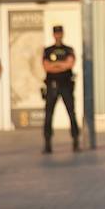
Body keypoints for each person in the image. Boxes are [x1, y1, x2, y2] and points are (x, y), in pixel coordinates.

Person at [42, 25, 80, 153]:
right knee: (48, 114)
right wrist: (61, 65)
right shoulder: (48, 50)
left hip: (66, 85)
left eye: (60, 33)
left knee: (71, 113)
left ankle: (75, 140)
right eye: (56, 33)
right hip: (52, 85)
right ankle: (47, 143)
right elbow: (47, 67)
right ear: (53, 35)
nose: (58, 35)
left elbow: (69, 64)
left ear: (62, 34)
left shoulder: (68, 49)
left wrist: (56, 65)